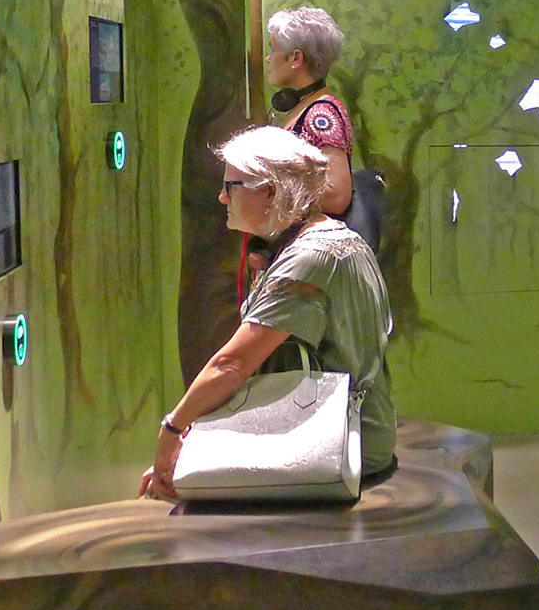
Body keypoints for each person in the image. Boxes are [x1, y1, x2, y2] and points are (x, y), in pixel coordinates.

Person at [143, 126, 396, 498]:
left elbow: (232, 365)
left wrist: (172, 431)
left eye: (231, 186)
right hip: (342, 432)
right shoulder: (335, 240)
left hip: (339, 446)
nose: (222, 197)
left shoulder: (310, 258)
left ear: (271, 191)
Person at [264, 6, 353, 217]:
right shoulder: (305, 108)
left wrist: (270, 188)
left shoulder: (321, 114)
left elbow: (337, 196)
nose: (268, 58)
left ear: (296, 58)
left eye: (273, 49)